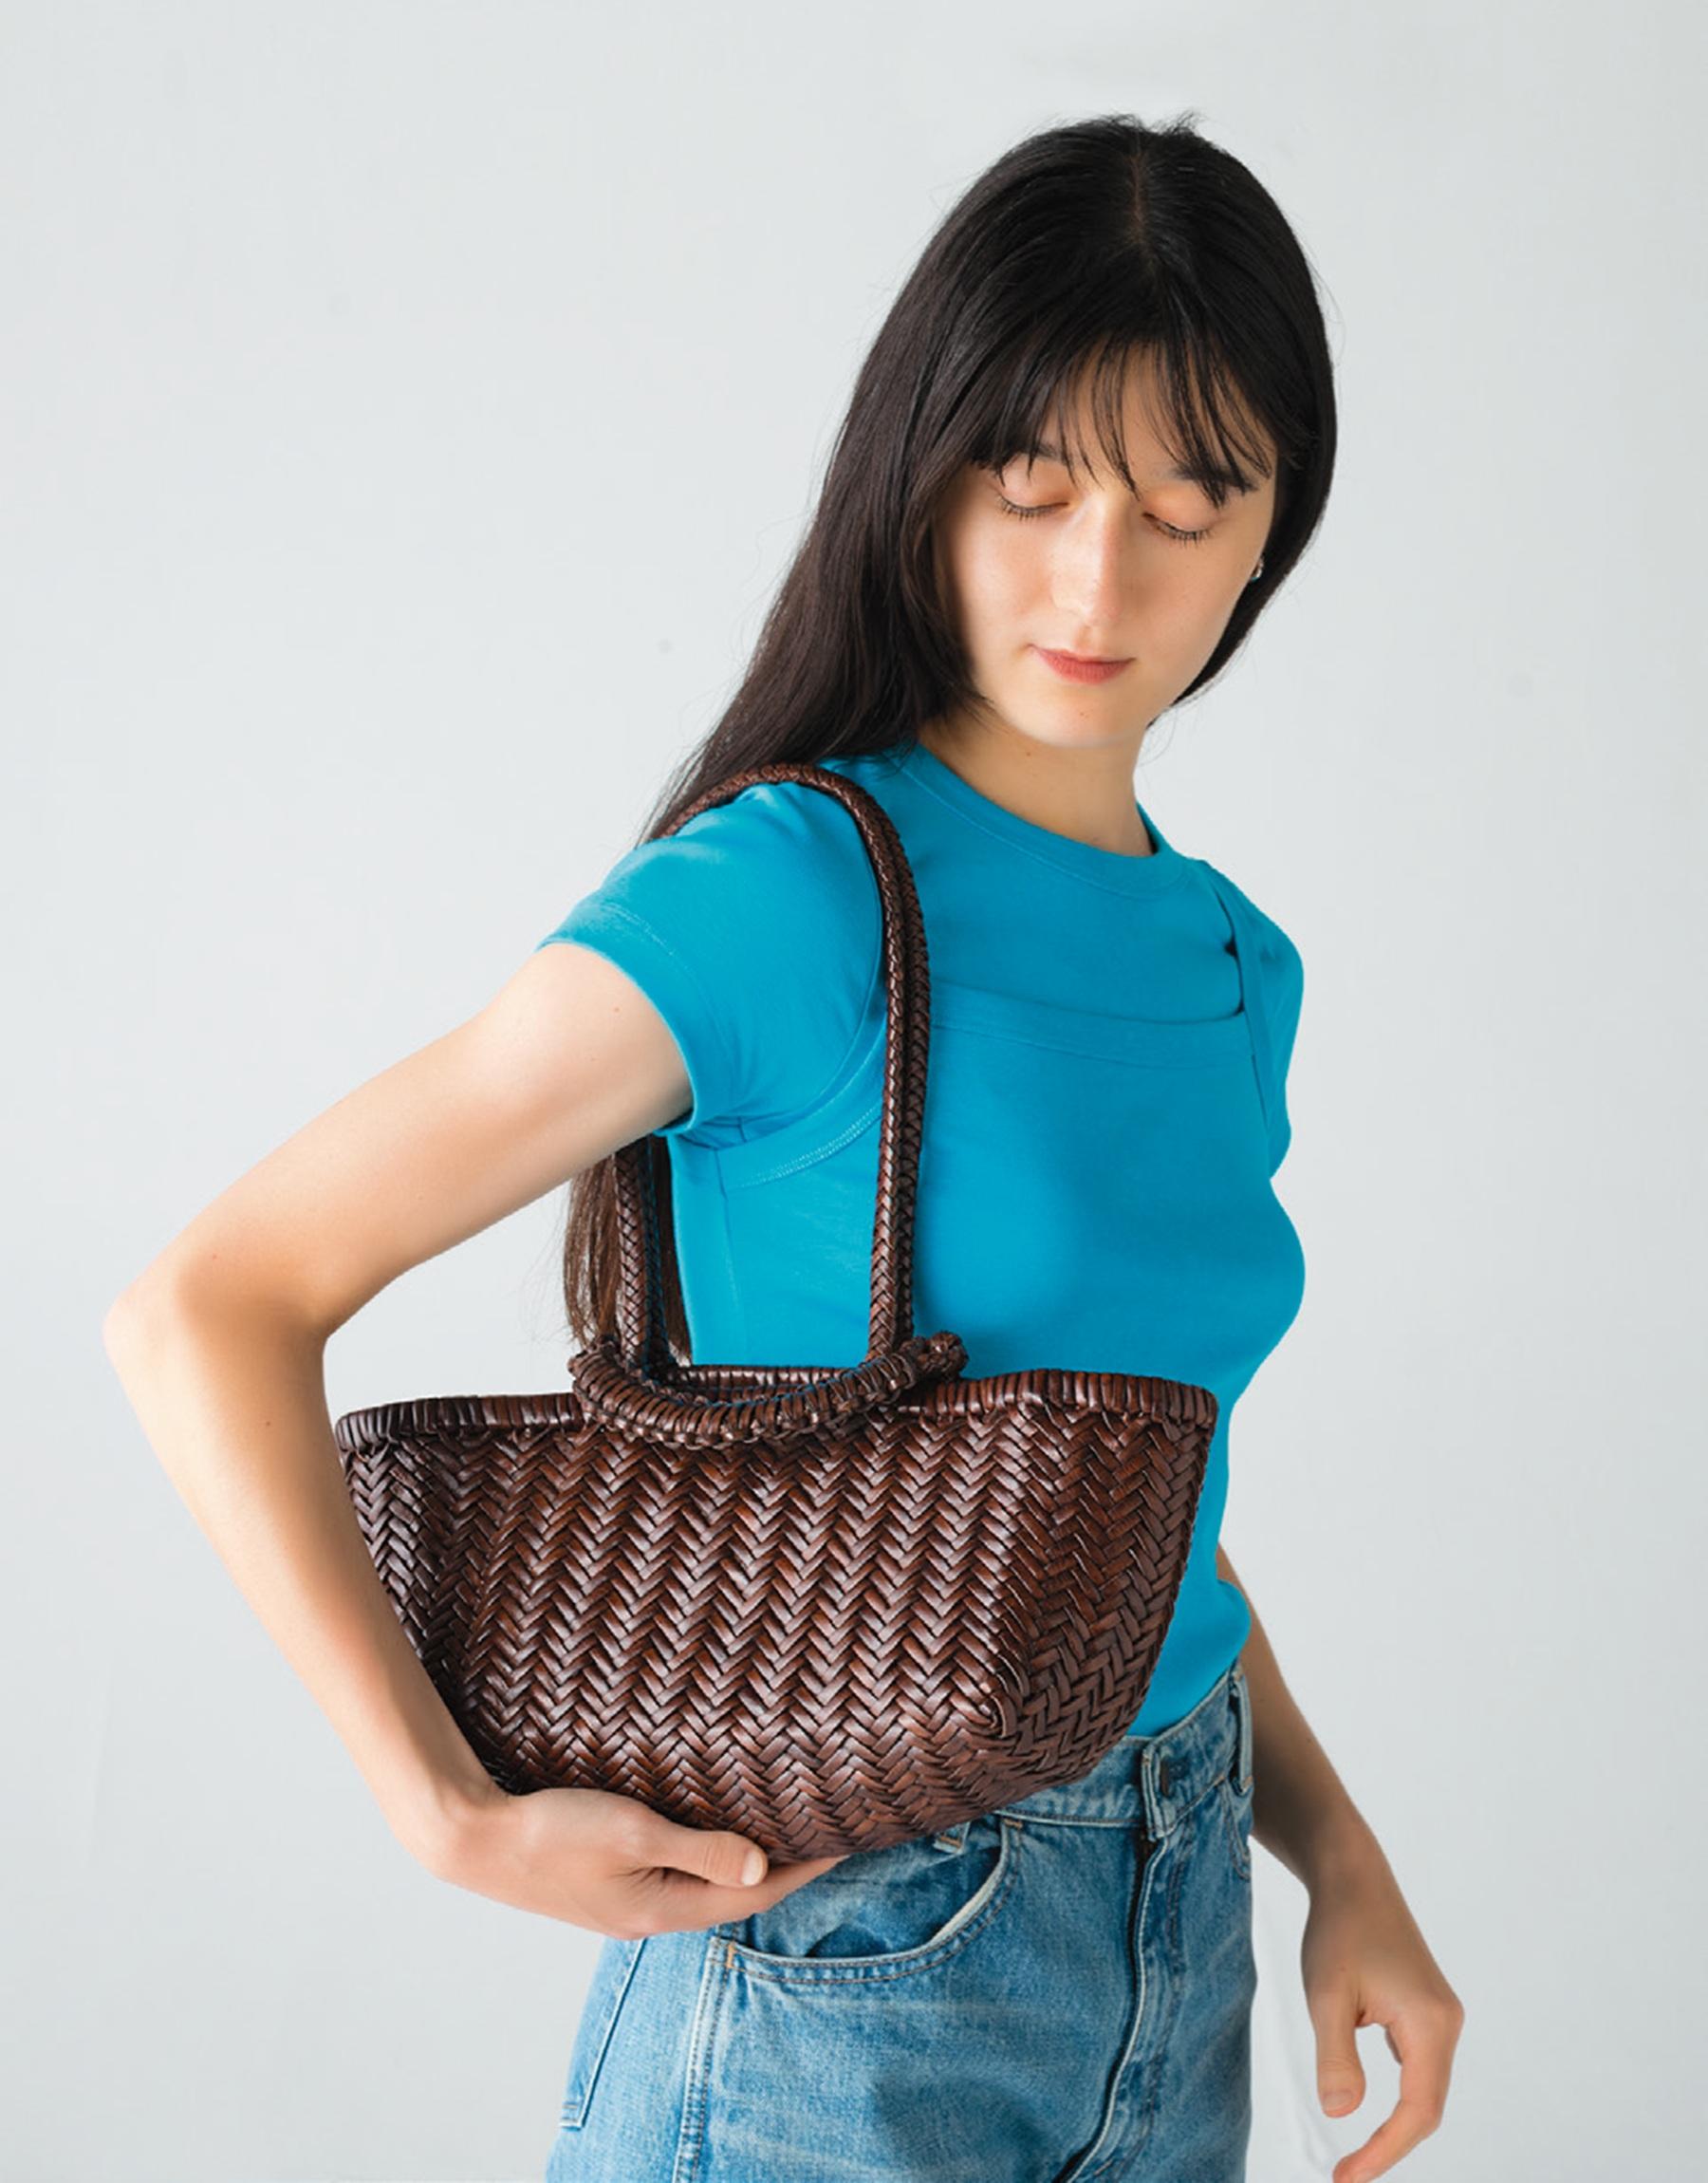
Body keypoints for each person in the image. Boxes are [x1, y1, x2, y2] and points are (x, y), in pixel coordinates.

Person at [104, 111, 1463, 2183]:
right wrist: (439, 1808)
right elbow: (209, 1303)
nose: (1099, 580)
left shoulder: (1232, 965)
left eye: (1191, 504)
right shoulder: (792, 898)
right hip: (844, 1955)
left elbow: (1129, 1512)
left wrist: (1338, 1856)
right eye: (1035, 488)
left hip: (1181, 1934)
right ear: (924, 473)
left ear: (1272, 532)